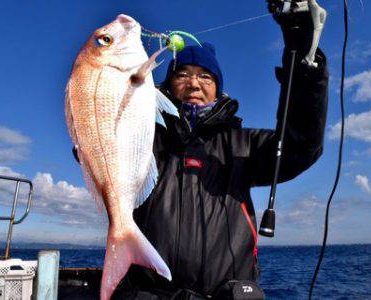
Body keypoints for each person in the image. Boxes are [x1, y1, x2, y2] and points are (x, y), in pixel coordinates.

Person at [77, 6, 328, 300]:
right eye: (182, 74)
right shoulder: (147, 138)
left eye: (205, 77)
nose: (194, 83)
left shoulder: (243, 145)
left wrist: (304, 63)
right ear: (166, 85)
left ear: (218, 88)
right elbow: (99, 138)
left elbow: (302, 144)